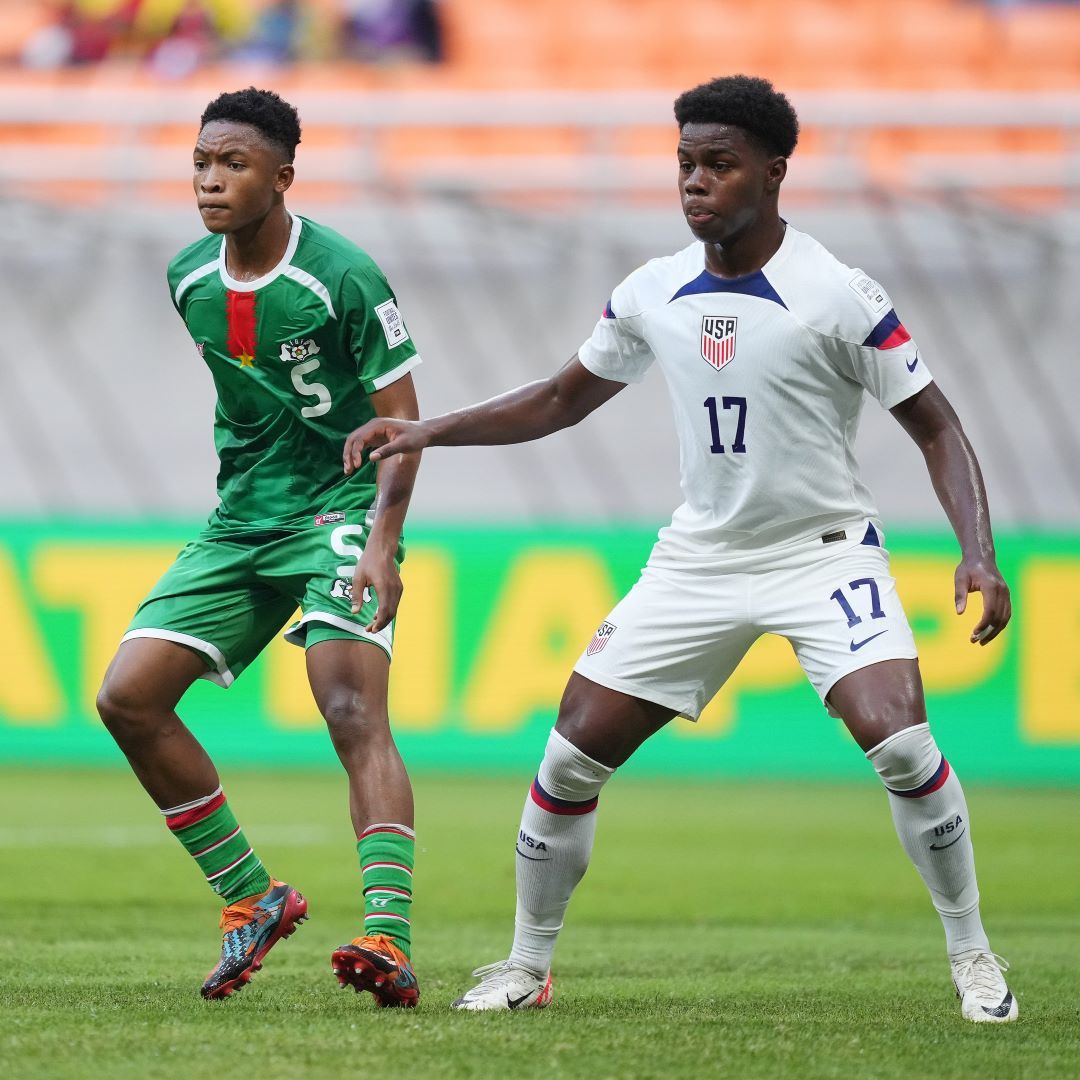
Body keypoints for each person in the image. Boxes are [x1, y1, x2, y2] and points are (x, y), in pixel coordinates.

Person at [347, 75, 1018, 1022]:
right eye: (685, 165)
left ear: (774, 171)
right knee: (569, 761)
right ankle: (526, 967)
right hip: (699, 559)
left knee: (903, 741)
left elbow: (938, 428)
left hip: (821, 554)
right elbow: (556, 399)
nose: (695, 183)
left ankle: (974, 957)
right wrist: (429, 431)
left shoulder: (837, 293)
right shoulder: (654, 290)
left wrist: (977, 553)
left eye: (718, 164)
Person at [96, 87, 422, 1006]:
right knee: (128, 698)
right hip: (243, 517)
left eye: (232, 164)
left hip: (342, 507)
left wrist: (381, 545)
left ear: (281, 177)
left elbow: (404, 424)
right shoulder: (189, 278)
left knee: (350, 709)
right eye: (201, 162)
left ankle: (389, 937)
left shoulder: (345, 276)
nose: (209, 180)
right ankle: (251, 899)